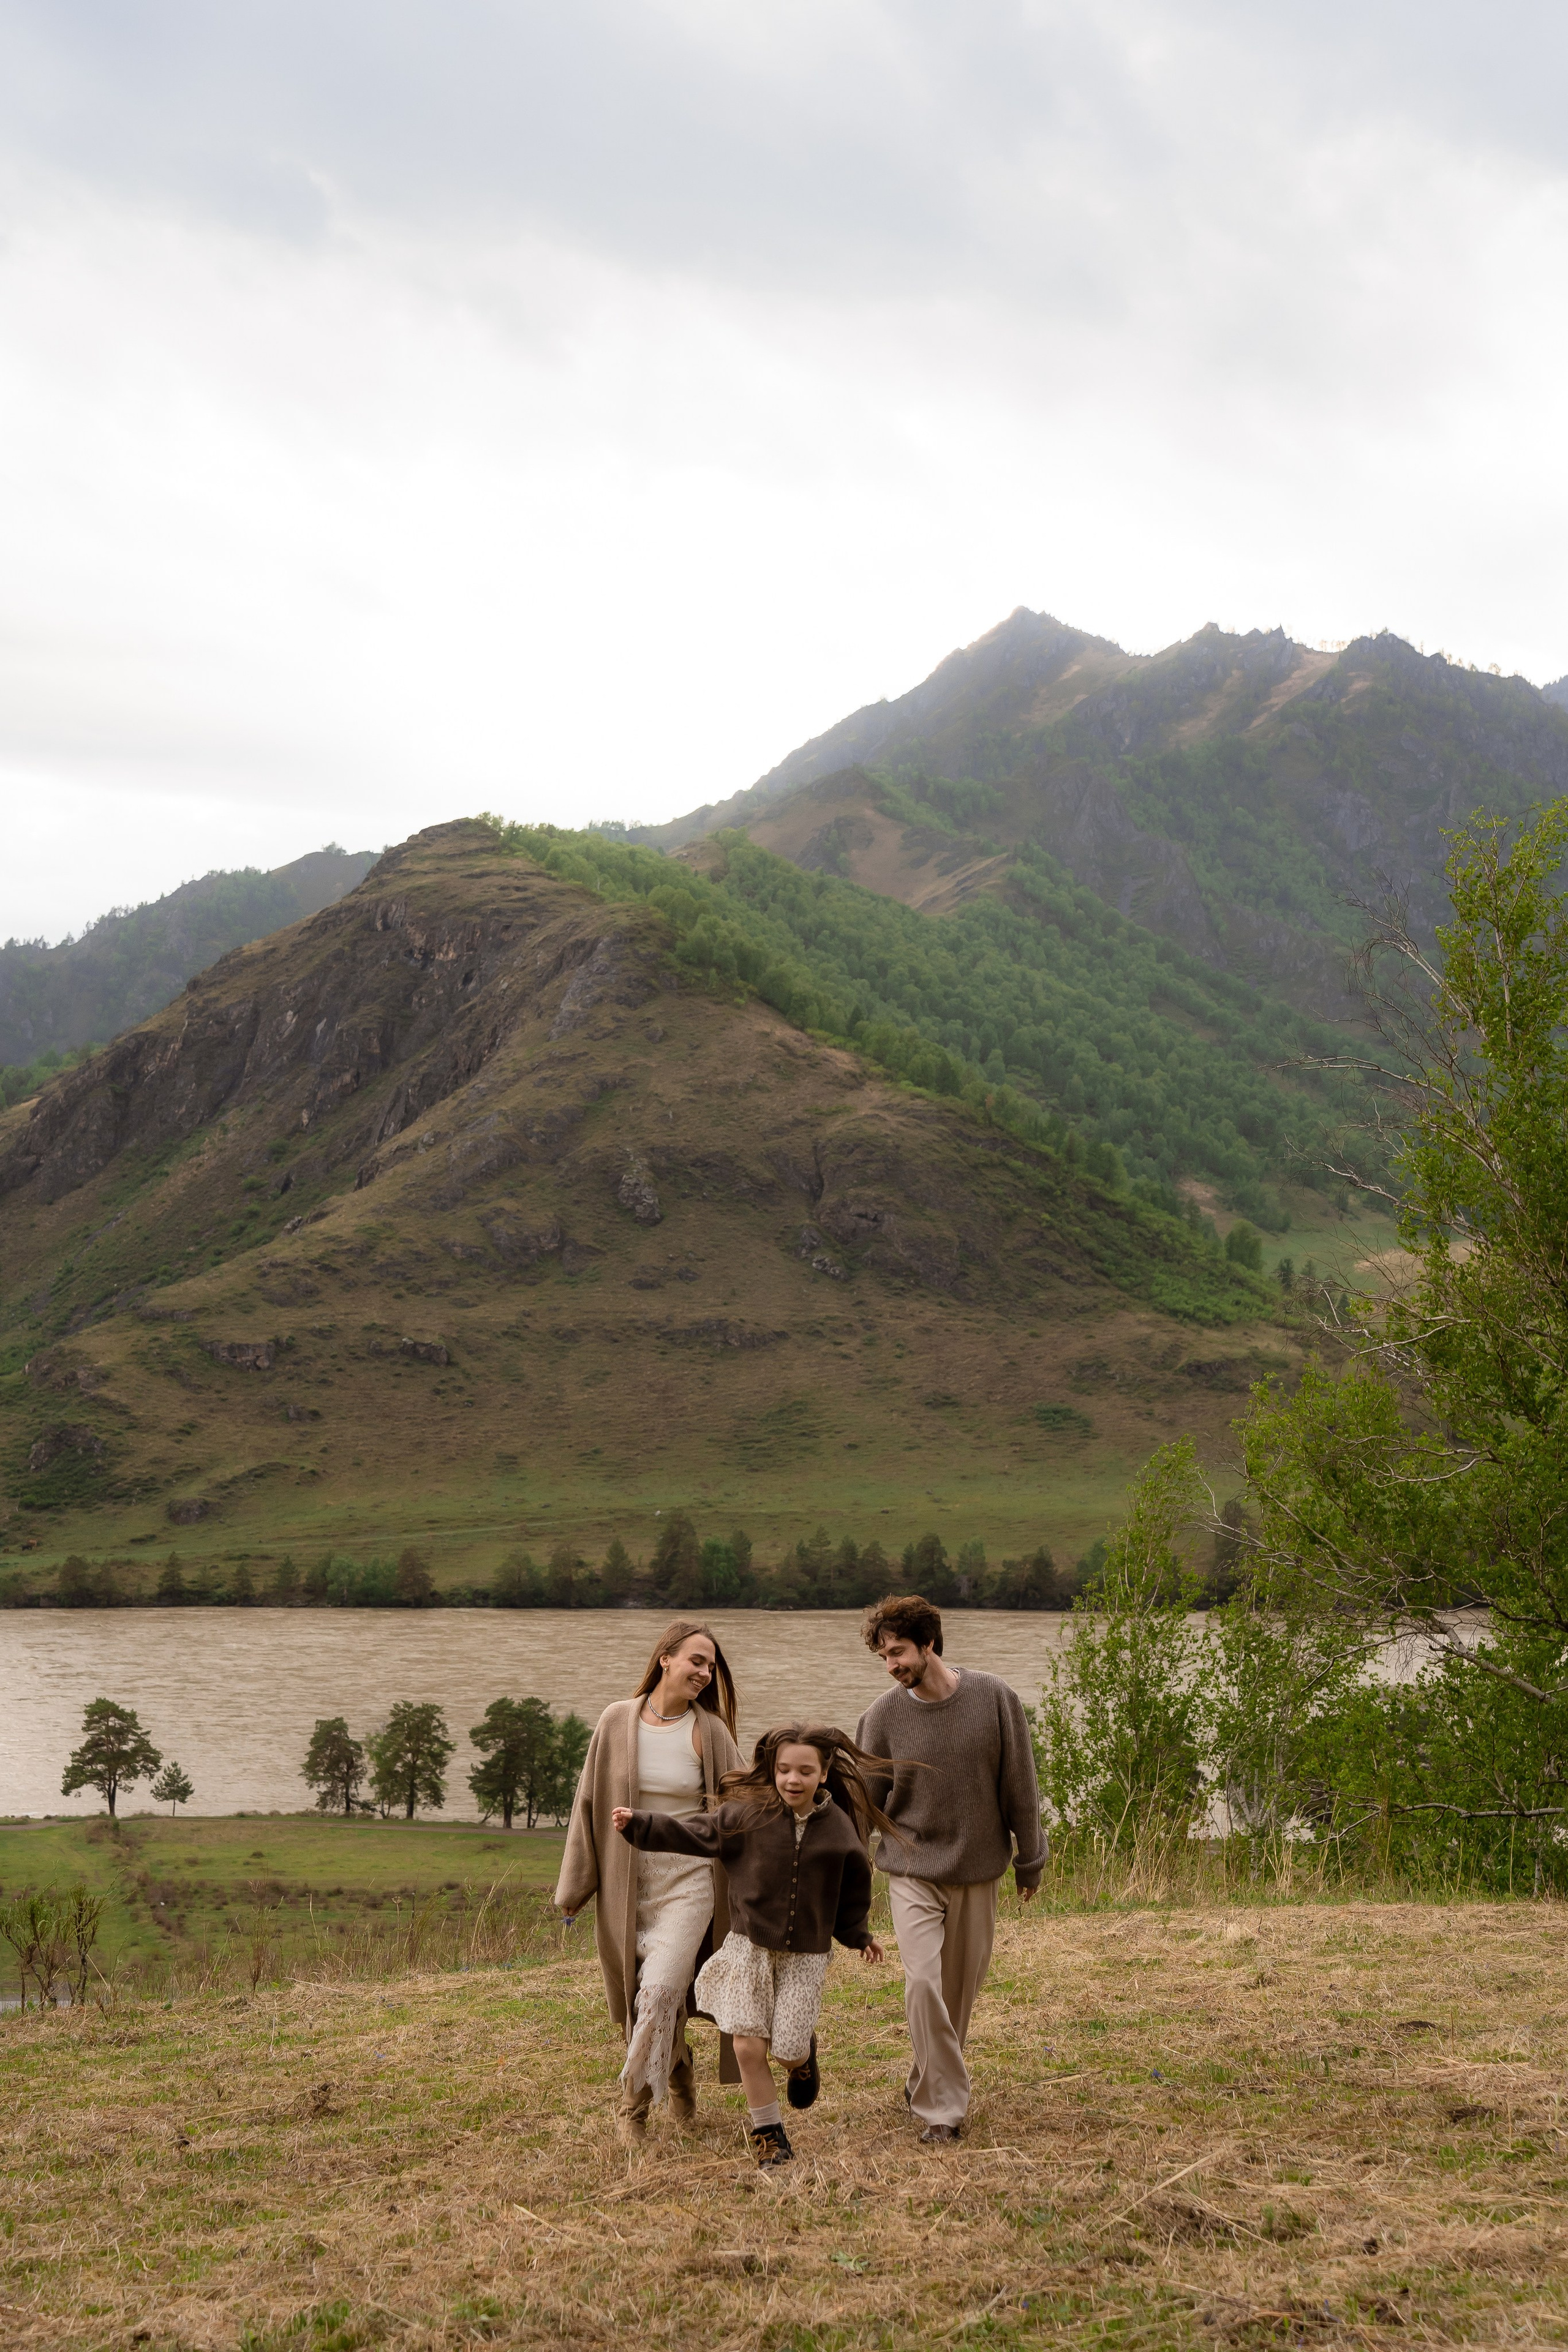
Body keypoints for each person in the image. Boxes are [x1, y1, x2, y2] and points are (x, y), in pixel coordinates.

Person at [613, 1724, 891, 2167]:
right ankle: (769, 2135)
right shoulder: (748, 1816)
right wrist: (641, 1824)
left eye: (805, 1771)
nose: (793, 1780)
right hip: (748, 1948)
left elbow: (852, 1892)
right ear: (773, 1770)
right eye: (784, 1770)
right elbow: (695, 1833)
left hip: (806, 1957)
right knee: (747, 2045)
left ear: (823, 1774)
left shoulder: (839, 1830)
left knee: (787, 2049)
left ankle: (802, 2058)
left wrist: (859, 1935)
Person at [856, 1592, 1046, 2144]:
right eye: (884, 1657)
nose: (892, 1666)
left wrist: (1030, 1860)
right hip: (911, 1868)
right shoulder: (882, 1716)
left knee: (956, 1999)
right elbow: (863, 1806)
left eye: (898, 1652)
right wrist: (843, 1873)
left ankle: (926, 2076)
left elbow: (1021, 1786)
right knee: (922, 1984)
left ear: (929, 1643)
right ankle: (943, 2112)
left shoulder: (994, 1698)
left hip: (978, 1868)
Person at [556, 1619, 745, 2142]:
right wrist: (574, 1888)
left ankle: (632, 2109)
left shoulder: (711, 1731)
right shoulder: (616, 1720)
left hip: (690, 1879)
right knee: (639, 1997)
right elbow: (588, 1803)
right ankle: (678, 2065)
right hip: (627, 1884)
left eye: (711, 1667)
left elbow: (743, 1805)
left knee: (660, 1991)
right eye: (696, 1661)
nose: (705, 1673)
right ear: (666, 1658)